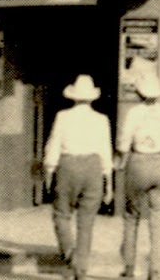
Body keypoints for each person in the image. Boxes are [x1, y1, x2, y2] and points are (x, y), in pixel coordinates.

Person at [43, 74, 113, 280]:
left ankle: (70, 253)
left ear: (73, 96)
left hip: (68, 165)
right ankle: (81, 266)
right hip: (93, 167)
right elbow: (105, 151)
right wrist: (108, 183)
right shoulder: (101, 120)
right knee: (87, 220)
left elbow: (54, 144)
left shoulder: (63, 117)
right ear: (92, 98)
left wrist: (49, 171)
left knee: (61, 214)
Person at [117, 72, 160, 280]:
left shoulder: (134, 113)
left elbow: (124, 142)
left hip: (139, 162)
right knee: (158, 220)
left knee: (131, 216)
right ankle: (155, 270)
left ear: (139, 93)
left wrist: (123, 160)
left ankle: (129, 267)